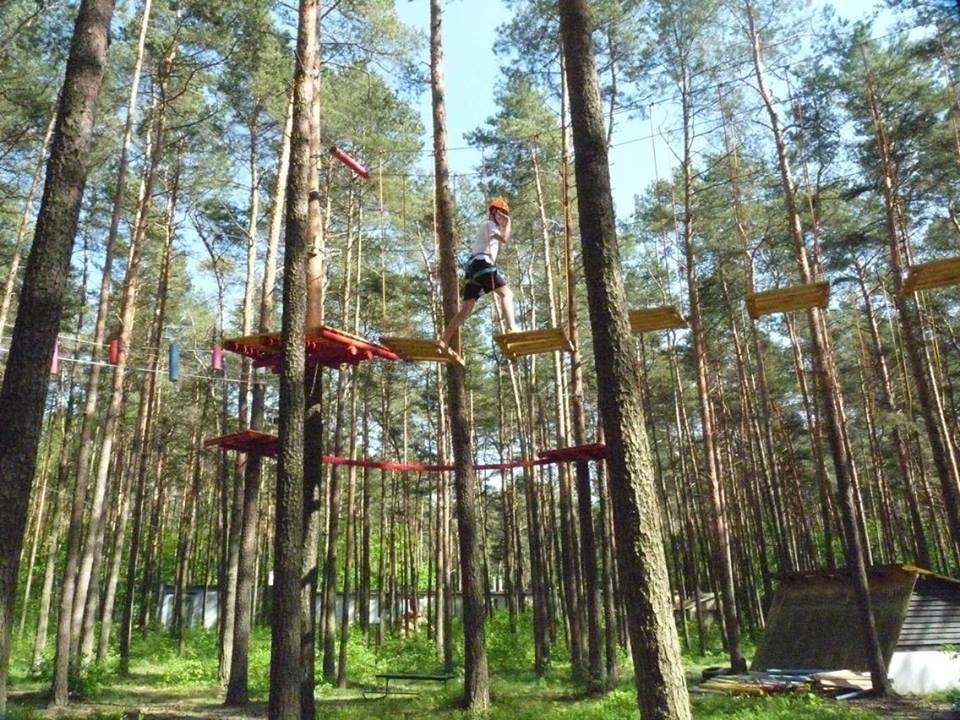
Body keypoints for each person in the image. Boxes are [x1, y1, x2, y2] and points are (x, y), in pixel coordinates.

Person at [439, 196, 519, 349]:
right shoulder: (489, 225)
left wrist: (504, 223)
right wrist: (508, 223)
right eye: (501, 215)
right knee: (507, 294)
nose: (503, 218)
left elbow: (498, 243)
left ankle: (444, 341)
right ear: (494, 212)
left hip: (473, 270)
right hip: (482, 265)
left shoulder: (489, 227)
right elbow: (504, 239)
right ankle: (512, 327)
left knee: (465, 311)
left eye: (505, 216)